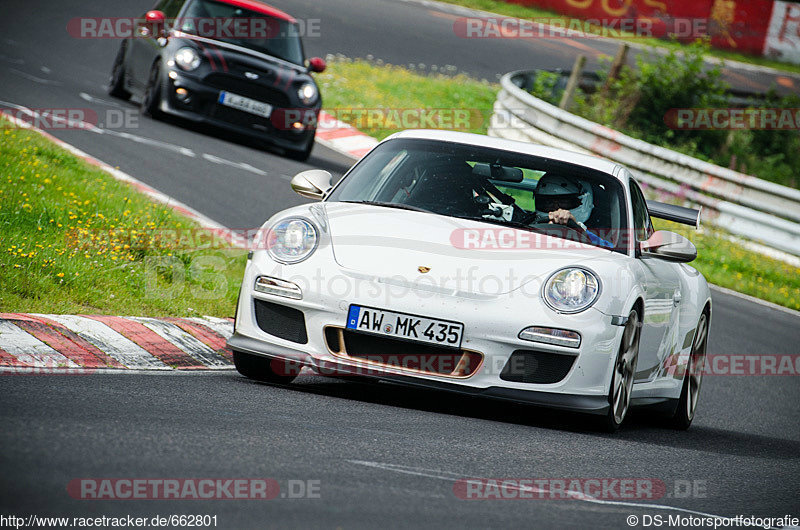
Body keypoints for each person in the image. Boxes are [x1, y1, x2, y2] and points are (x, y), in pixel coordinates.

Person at [533, 174, 614, 249]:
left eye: (563, 202)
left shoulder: (599, 229)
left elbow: (610, 249)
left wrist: (579, 230)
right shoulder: (530, 223)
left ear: (583, 200)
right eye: (548, 203)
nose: (557, 210)